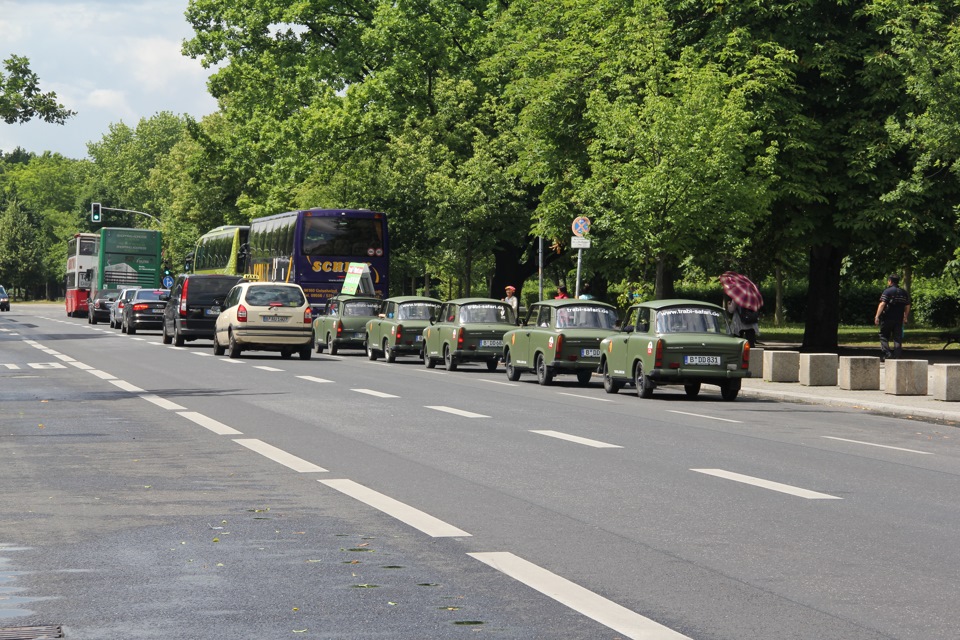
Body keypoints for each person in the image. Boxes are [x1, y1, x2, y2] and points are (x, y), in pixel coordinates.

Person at [875, 274, 911, 361]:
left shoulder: (887, 291)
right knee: (897, 337)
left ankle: (887, 354)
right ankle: (897, 355)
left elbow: (882, 304)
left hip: (887, 318)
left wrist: (877, 316)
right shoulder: (904, 292)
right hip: (898, 319)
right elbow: (907, 306)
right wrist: (905, 316)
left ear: (890, 281)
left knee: (883, 336)